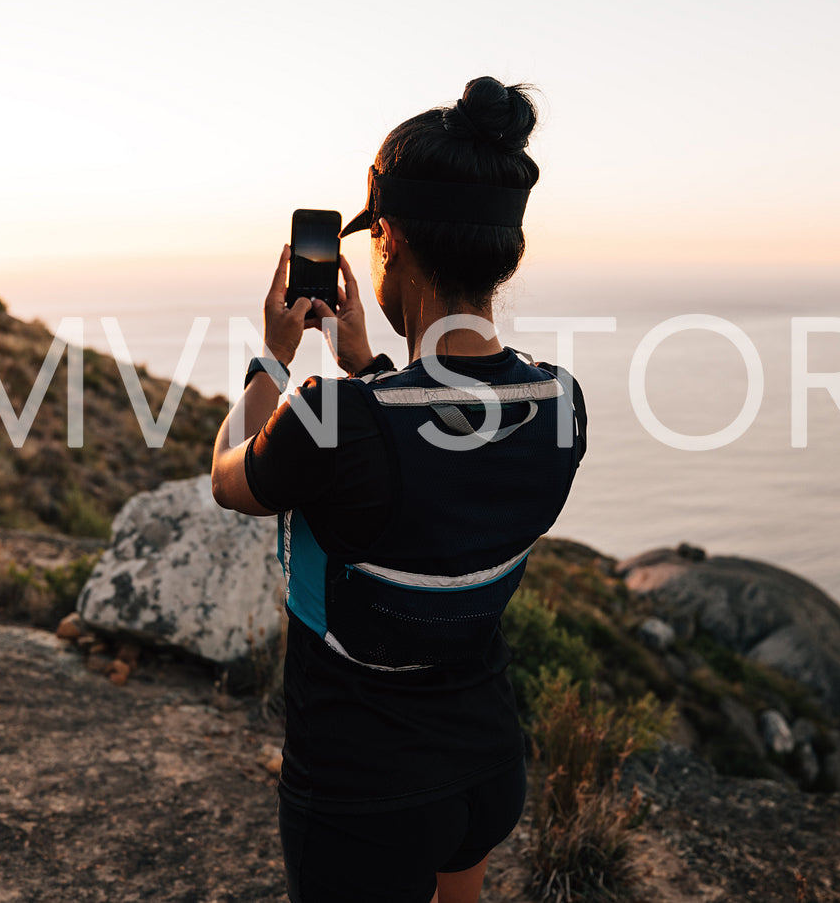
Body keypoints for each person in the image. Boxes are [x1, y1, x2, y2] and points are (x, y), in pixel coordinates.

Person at [210, 76, 586, 903]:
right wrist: (369, 367)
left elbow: (229, 479)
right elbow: (437, 461)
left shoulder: (334, 418)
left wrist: (274, 357)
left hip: (360, 789)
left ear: (389, 242)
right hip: (484, 764)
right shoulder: (561, 402)